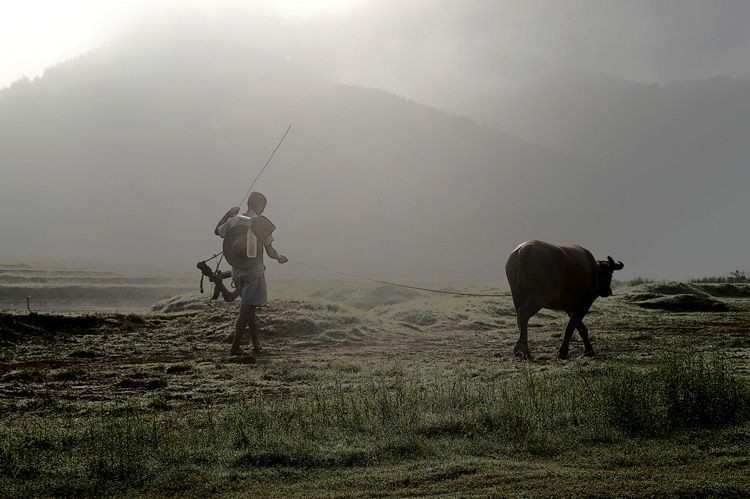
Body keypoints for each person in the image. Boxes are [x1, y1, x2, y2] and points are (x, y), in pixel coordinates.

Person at [215, 192, 287, 355]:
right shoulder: (260, 223)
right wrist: (279, 258)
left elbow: (216, 231)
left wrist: (228, 213)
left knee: (250, 309)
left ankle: (255, 343)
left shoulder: (234, 220)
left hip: (237, 272)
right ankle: (235, 347)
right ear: (260, 206)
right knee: (246, 310)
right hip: (254, 272)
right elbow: (270, 250)